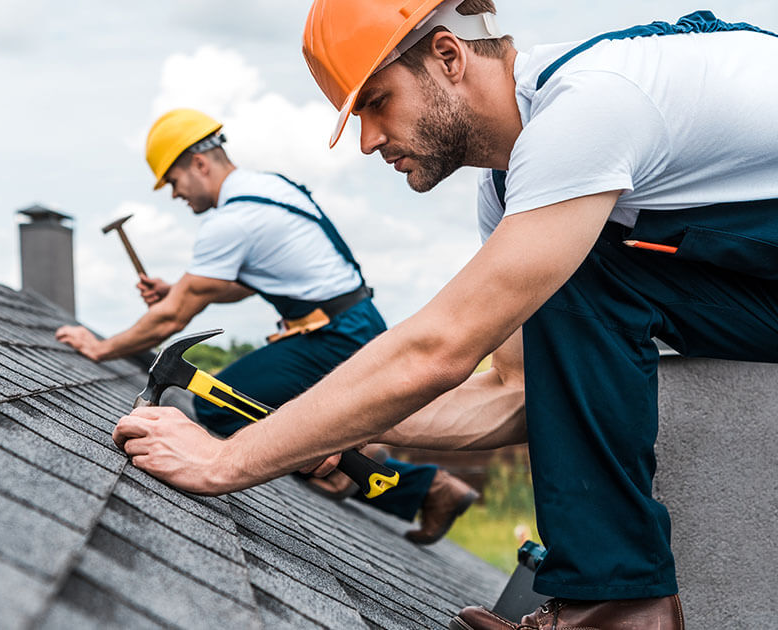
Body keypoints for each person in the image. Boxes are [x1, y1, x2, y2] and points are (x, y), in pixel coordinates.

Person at [111, 3, 778, 628]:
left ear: (448, 58)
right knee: (581, 277)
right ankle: (616, 603)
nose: (368, 142)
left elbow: (439, 348)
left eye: (377, 103)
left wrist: (230, 460)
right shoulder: (519, 198)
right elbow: (517, 393)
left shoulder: (588, 109)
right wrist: (345, 430)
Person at [56, 107, 478, 544]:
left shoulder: (232, 219)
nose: (176, 195)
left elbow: (172, 317)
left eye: (174, 182)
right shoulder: (269, 189)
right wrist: (179, 289)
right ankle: (377, 469)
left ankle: (388, 476)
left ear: (199, 164)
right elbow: (240, 285)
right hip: (350, 324)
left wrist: (101, 347)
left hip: (333, 336)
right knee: (281, 415)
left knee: (220, 406)